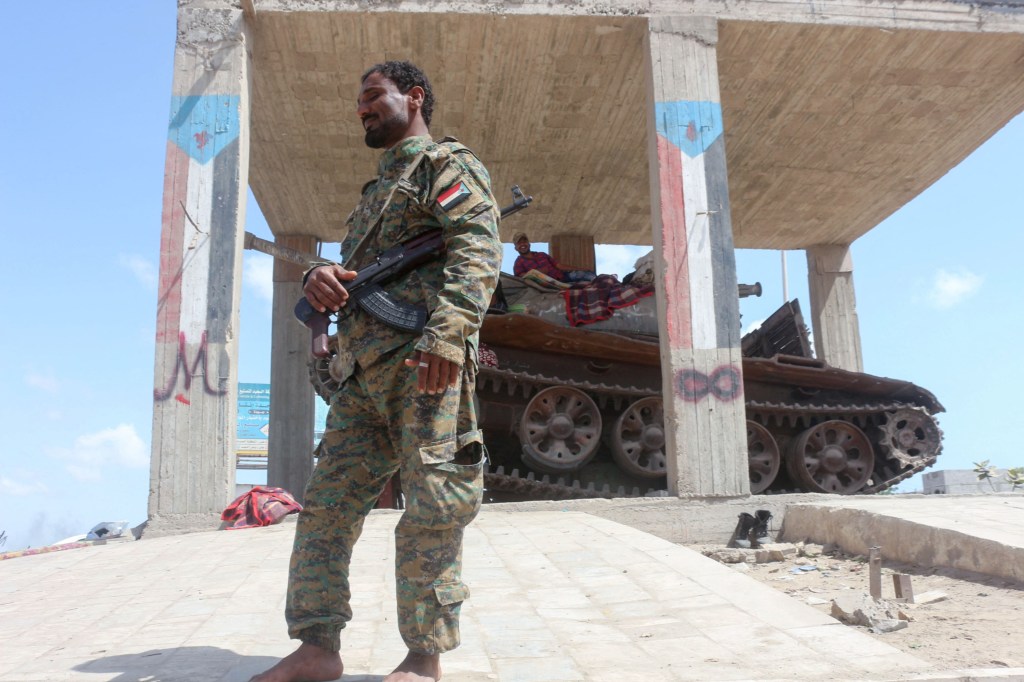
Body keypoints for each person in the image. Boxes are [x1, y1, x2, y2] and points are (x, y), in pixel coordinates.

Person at [251, 60, 501, 682]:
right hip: (361, 377)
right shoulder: (375, 194)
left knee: (433, 506)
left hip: (424, 366)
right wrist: (320, 277)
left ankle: (423, 659)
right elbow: (355, 279)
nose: (361, 108)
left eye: (372, 96)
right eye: (358, 100)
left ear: (413, 97)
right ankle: (317, 647)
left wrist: (448, 334)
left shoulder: (445, 165)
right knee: (326, 510)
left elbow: (476, 245)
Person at [511, 232, 596, 283]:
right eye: (519, 243)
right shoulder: (518, 263)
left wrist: (581, 269)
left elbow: (559, 266)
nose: (522, 244)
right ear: (516, 248)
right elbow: (521, 278)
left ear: (529, 244)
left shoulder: (542, 254)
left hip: (563, 277)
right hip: (548, 286)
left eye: (524, 241)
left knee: (587, 275)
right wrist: (539, 272)